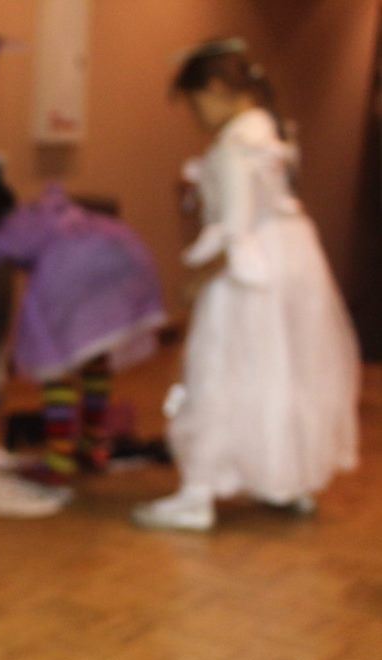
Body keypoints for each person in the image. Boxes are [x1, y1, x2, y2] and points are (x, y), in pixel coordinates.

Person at [132, 38, 359, 531]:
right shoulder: (271, 134)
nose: (197, 118)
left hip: (249, 270)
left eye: (195, 105)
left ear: (215, 90)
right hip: (293, 261)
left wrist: (197, 282)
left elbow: (236, 227)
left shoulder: (235, 146)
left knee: (220, 370)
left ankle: (197, 492)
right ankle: (285, 480)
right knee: (280, 369)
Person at [0, 167, 167, 484]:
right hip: (123, 250)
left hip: (70, 270)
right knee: (96, 355)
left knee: (54, 365)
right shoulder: (41, 210)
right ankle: (92, 446)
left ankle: (59, 458)